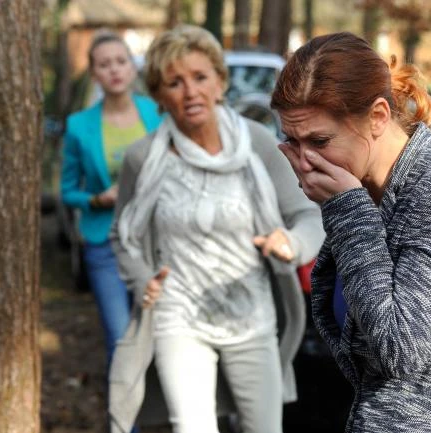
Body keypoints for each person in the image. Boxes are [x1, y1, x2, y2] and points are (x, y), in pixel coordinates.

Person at [272, 32, 431, 433]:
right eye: (292, 140)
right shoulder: (363, 190)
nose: (305, 163)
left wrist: (346, 210)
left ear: (377, 116)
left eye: (319, 141)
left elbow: (399, 348)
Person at [108, 25, 324, 433]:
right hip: (178, 318)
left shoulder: (258, 144)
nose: (190, 92)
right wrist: (141, 280)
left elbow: (309, 217)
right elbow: (123, 233)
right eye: (175, 82)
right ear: (158, 95)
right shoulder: (143, 158)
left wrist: (291, 242)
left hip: (251, 315)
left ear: (220, 82)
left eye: (200, 77)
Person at [59, 31, 162, 388]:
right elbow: (67, 191)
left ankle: (160, 411)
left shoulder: (157, 113)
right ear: (94, 74)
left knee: (161, 336)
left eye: (121, 61)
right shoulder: (78, 126)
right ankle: (122, 415)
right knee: (120, 338)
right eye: (104, 65)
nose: (114, 70)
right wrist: (95, 199)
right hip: (103, 243)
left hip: (154, 242)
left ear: (132, 67)